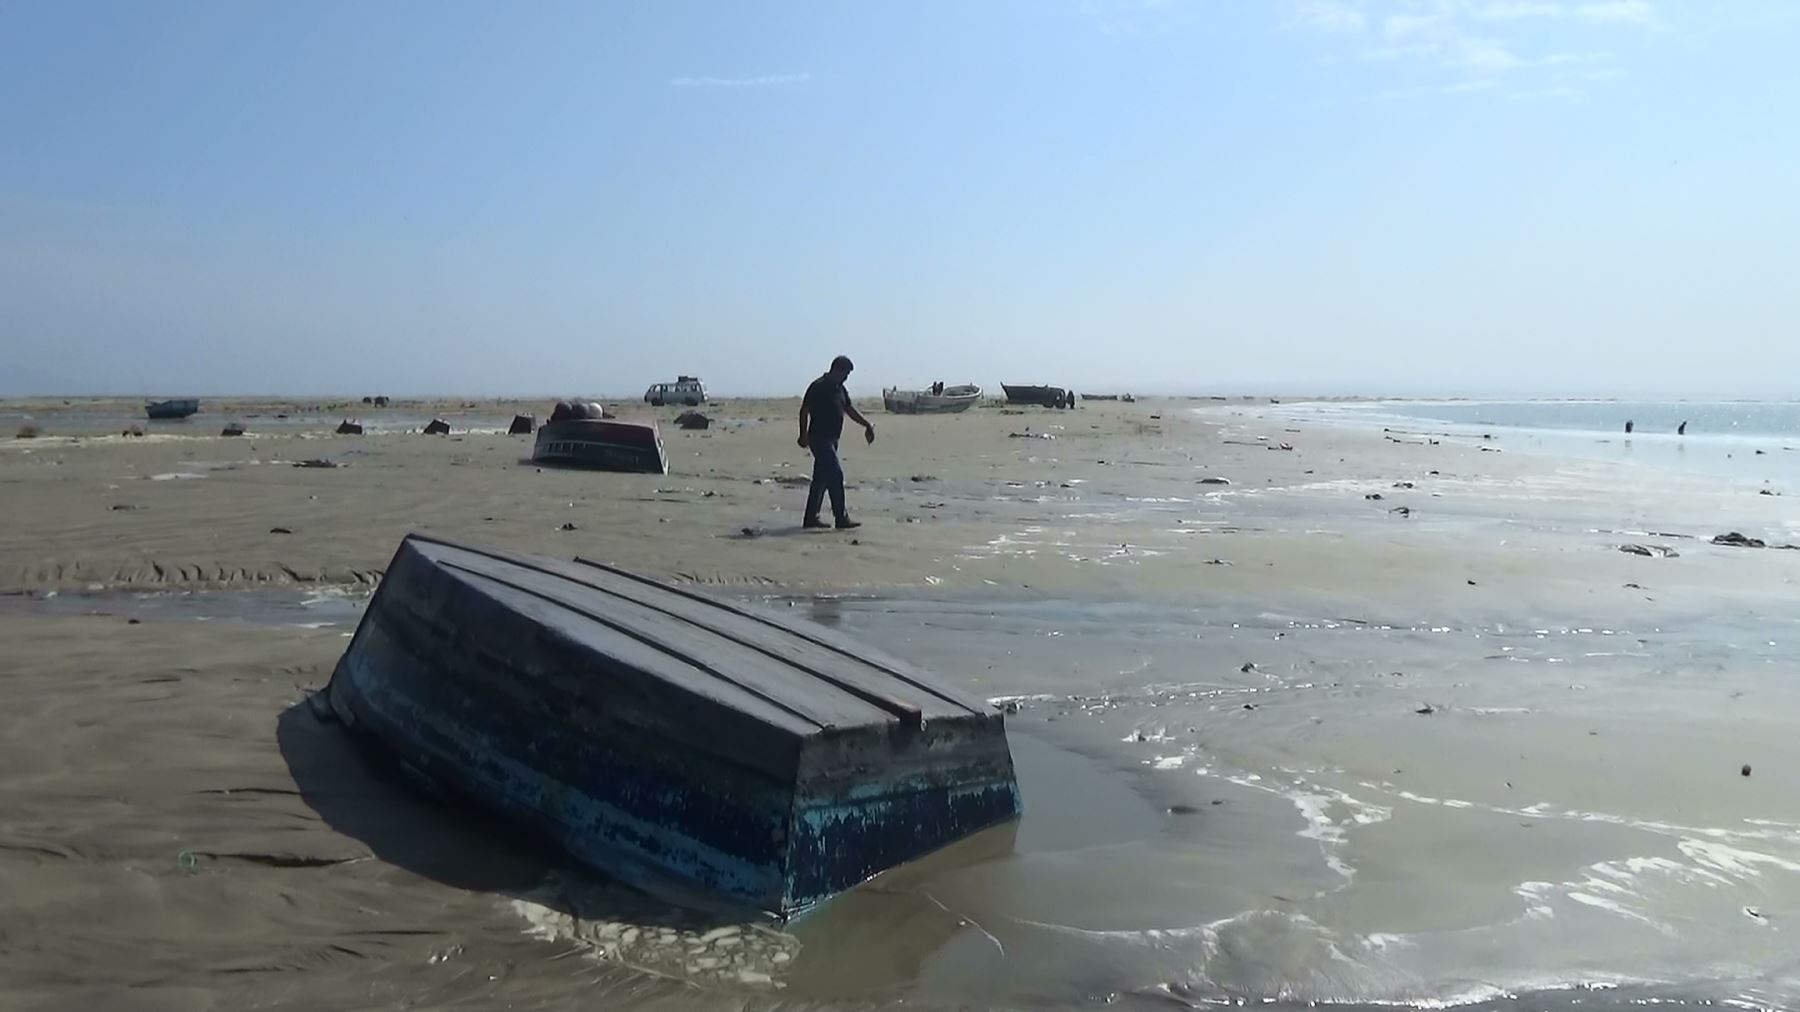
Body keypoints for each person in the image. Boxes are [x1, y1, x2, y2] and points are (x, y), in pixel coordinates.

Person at [798, 355, 875, 530]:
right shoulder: (818, 386)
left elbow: (849, 409)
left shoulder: (840, 389)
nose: (847, 377)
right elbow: (804, 410)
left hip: (833, 439)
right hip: (818, 438)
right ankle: (841, 518)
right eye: (846, 373)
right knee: (835, 474)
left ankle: (810, 518)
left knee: (821, 479)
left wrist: (866, 425)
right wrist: (803, 435)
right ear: (837, 369)